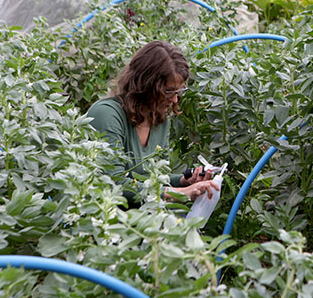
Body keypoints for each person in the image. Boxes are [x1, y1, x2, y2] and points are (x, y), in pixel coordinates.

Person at [86, 40, 218, 205]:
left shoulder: (160, 119)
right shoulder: (106, 115)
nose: (175, 99)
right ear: (144, 85)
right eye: (168, 91)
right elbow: (114, 183)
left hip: (142, 220)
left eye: (179, 91)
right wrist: (180, 193)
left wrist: (184, 182)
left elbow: (152, 180)